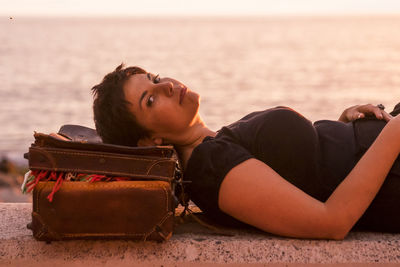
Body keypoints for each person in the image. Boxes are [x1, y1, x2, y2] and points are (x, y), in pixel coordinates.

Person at [89, 64, 400, 240]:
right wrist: (392, 133)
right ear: (150, 141)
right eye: (151, 100)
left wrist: (343, 124)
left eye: (155, 79)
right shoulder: (211, 169)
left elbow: (308, 170)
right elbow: (332, 221)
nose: (167, 86)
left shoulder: (215, 146)